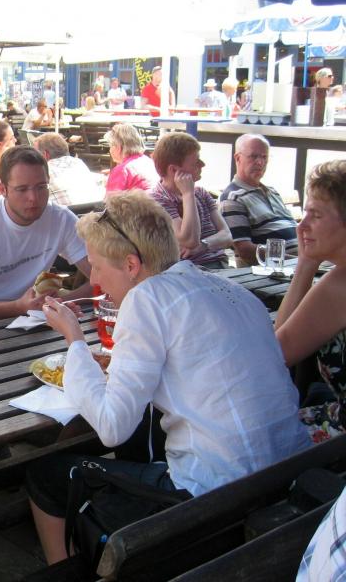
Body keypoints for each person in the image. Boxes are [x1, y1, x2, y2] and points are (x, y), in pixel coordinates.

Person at [27, 191, 311, 565]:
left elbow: (112, 427)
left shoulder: (146, 298)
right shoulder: (233, 290)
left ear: (131, 264)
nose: (93, 279)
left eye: (95, 266)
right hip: (288, 473)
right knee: (146, 436)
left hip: (216, 494)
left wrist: (75, 341)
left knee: (44, 474)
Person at [0, 146, 92, 324]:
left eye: (41, 187)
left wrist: (61, 303)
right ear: (3, 189)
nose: (33, 198)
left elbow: (103, 277)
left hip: (33, 317)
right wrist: (19, 307)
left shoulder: (60, 218)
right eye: (22, 189)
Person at [275, 160, 346, 443]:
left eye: (315, 215)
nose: (301, 225)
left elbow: (276, 354)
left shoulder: (339, 285)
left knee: (260, 439)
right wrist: (307, 260)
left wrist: (305, 265)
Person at [150, 132, 232, 269]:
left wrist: (204, 245)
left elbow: (227, 236)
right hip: (187, 271)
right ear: (174, 170)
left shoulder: (201, 193)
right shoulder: (157, 200)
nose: (202, 165)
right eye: (196, 162)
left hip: (220, 265)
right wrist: (188, 194)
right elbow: (189, 240)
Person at [219, 134, 297, 265]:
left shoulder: (272, 192)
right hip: (276, 270)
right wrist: (295, 261)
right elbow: (245, 251)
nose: (260, 162)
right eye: (253, 156)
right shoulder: (232, 199)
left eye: (264, 157)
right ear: (238, 158)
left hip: (303, 263)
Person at [32, 133, 100, 206]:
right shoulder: (79, 163)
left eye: (35, 155)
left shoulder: (43, 172)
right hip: (89, 211)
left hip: (60, 212)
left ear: (45, 155)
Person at [105, 123, 160, 196]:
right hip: (156, 201)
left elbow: (111, 200)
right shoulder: (148, 161)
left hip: (141, 203)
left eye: (111, 146)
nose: (110, 150)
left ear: (119, 147)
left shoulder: (122, 170)